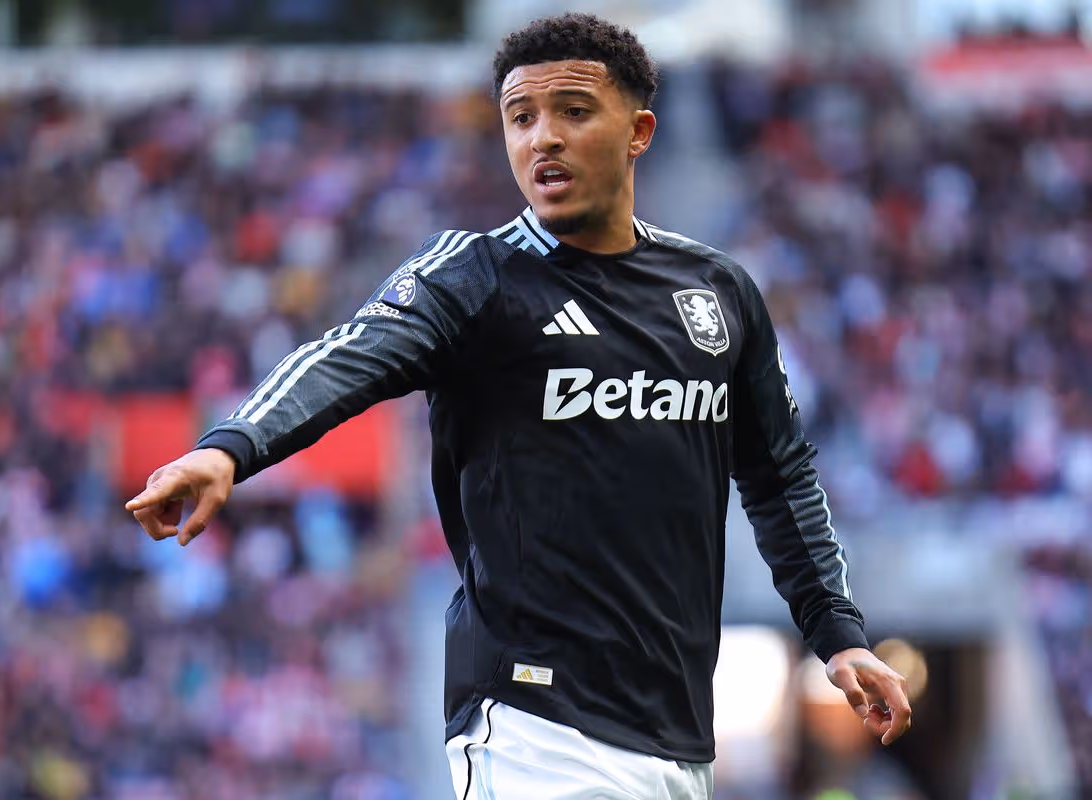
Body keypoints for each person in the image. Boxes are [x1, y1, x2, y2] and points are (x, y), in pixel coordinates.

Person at [127, 13, 912, 799]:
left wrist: (837, 633)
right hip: (534, 723)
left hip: (677, 736)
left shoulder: (717, 291)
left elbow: (779, 477)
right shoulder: (476, 277)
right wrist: (231, 445)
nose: (543, 138)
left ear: (639, 132)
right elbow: (349, 354)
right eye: (521, 117)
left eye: (573, 111)